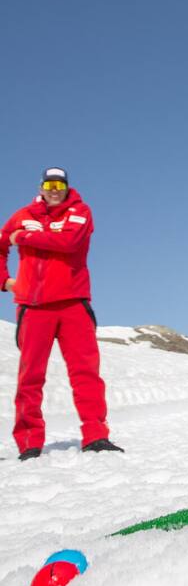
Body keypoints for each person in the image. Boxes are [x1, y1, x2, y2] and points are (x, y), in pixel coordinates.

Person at [0, 167, 123, 460]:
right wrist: (4, 280)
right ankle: (28, 442)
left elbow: (70, 243)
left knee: (85, 373)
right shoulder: (21, 215)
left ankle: (96, 435)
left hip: (73, 304)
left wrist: (26, 237)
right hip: (32, 307)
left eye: (59, 184)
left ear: (67, 187)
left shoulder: (80, 212)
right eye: (49, 184)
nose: (54, 189)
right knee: (30, 376)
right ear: (41, 187)